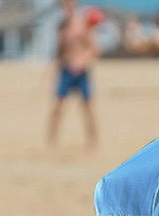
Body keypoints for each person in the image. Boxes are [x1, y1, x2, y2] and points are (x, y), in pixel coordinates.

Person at [47, 0, 99, 147]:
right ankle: (52, 142)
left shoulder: (84, 23)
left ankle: (93, 142)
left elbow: (94, 49)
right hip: (65, 70)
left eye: (69, 3)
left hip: (81, 72)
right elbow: (58, 52)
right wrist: (51, 69)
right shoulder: (61, 27)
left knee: (87, 107)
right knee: (57, 107)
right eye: (63, 4)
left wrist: (81, 62)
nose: (66, 6)